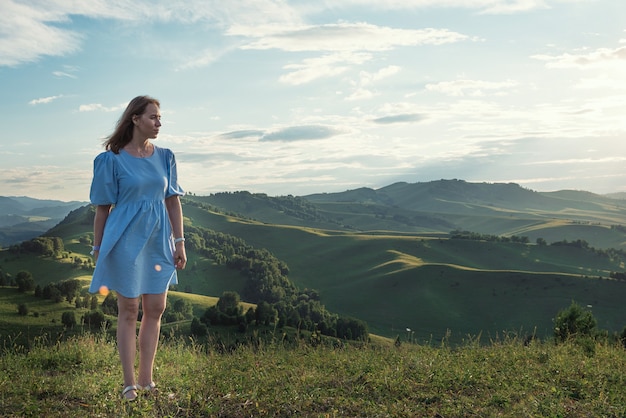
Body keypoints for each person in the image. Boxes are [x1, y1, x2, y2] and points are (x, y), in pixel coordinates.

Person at [88, 95, 186, 401]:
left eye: (159, 118)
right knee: (129, 310)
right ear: (135, 119)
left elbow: (172, 201)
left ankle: (147, 381)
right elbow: (103, 209)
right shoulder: (111, 159)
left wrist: (180, 242)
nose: (158, 123)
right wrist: (97, 248)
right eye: (153, 117)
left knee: (156, 308)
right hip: (124, 240)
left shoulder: (166, 156)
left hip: (158, 240)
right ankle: (129, 384)